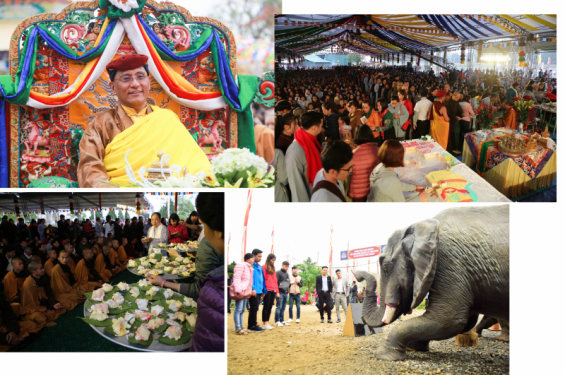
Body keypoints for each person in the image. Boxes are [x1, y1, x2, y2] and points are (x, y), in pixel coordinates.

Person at [77, 54, 210, 187]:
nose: (135, 84)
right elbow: (90, 170)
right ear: (112, 87)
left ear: (148, 82)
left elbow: (195, 163)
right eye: (126, 78)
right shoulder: (100, 124)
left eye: (140, 77)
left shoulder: (167, 119)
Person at [286, 111, 324, 202]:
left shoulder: (311, 141)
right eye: (321, 125)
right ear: (314, 128)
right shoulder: (295, 151)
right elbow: (296, 186)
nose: (322, 129)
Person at [349, 125, 380, 202]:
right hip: (374, 189)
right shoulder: (377, 150)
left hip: (358, 191)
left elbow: (349, 171)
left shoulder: (353, 153)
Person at [232, 253, 254, 335]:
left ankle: (241, 327)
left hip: (246, 290)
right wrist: (238, 289)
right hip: (241, 290)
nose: (253, 261)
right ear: (247, 259)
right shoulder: (241, 265)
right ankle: (238, 328)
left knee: (242, 310)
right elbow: (236, 277)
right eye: (252, 259)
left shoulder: (250, 268)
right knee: (238, 309)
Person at [247, 249, 266, 333]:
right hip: (253, 290)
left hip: (259, 290)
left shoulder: (259, 267)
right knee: (253, 308)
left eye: (261, 256)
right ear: (253, 256)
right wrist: (252, 289)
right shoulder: (250, 266)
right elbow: (249, 279)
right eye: (259, 256)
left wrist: (263, 290)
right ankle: (252, 326)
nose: (260, 258)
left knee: (256, 307)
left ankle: (253, 324)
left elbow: (262, 279)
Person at [261, 254, 279, 330]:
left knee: (270, 307)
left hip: (273, 290)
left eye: (274, 260)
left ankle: (267, 322)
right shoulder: (263, 267)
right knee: (266, 306)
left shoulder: (273, 268)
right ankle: (264, 323)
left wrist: (277, 291)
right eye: (272, 260)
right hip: (267, 289)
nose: (273, 262)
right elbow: (262, 279)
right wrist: (263, 291)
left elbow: (275, 280)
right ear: (269, 259)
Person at [275, 261, 290, 327]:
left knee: (283, 307)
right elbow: (276, 283)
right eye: (286, 266)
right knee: (279, 307)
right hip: (280, 292)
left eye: (288, 266)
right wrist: (277, 292)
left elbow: (287, 283)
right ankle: (276, 321)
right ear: (282, 265)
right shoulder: (278, 272)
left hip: (285, 292)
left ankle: (282, 320)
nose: (287, 268)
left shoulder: (287, 274)